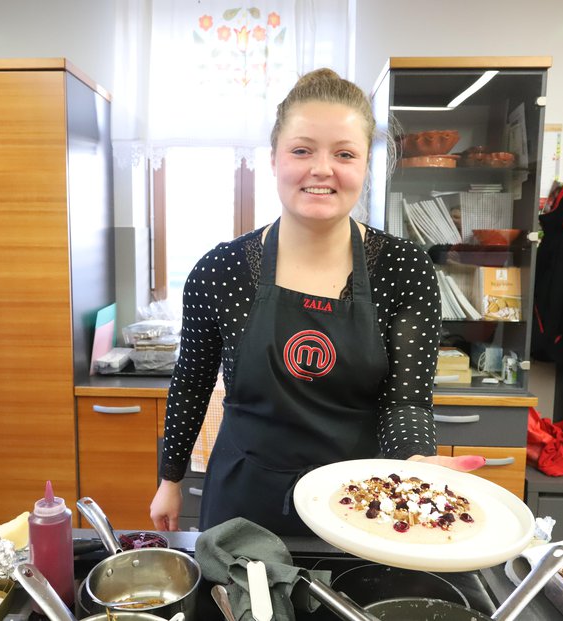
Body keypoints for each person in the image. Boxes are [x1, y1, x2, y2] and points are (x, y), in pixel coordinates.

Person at [149, 68, 483, 536]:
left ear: (367, 166)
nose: (321, 169)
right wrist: (170, 478)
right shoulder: (221, 270)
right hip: (243, 496)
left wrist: (414, 464)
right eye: (302, 150)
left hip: (359, 503)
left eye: (344, 154)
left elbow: (405, 401)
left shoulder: (403, 269)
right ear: (273, 159)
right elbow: (191, 383)